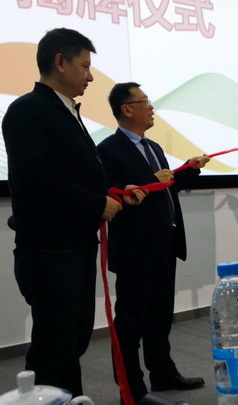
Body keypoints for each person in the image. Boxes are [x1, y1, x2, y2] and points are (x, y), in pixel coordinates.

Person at [1, 28, 144, 395]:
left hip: (74, 245)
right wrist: (97, 203)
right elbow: (36, 181)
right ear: (60, 62)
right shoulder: (28, 110)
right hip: (49, 249)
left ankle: (67, 400)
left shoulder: (65, 110)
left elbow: (71, 175)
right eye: (85, 66)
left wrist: (112, 192)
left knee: (74, 338)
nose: (90, 76)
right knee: (55, 346)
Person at [97, 82, 209, 402]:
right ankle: (131, 388)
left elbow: (163, 189)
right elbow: (113, 194)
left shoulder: (154, 147)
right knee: (130, 323)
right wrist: (151, 180)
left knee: (160, 317)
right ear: (126, 109)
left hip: (164, 245)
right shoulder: (108, 149)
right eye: (144, 101)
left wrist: (188, 170)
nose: (151, 107)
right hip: (135, 251)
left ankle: (162, 373)